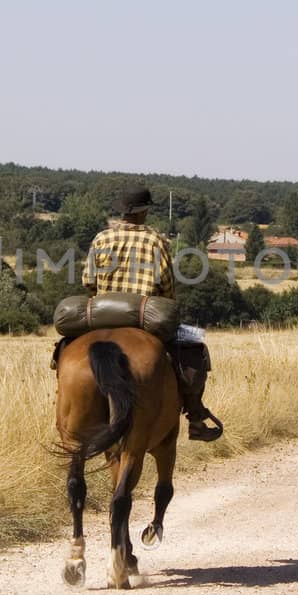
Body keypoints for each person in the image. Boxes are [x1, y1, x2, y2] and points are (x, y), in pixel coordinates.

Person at [74, 185, 223, 442]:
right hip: (144, 316)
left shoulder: (101, 238)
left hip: (102, 314)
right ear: (145, 210)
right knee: (193, 350)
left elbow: (88, 281)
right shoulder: (156, 240)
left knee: (67, 347)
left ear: (122, 211)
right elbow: (167, 286)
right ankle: (195, 417)